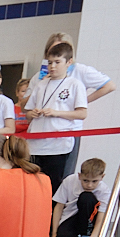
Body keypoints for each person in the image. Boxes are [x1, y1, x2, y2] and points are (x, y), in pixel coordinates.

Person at [28, 33, 116, 177]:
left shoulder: (79, 71)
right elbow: (26, 104)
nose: (53, 64)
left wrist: (80, 102)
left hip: (66, 132)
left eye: (60, 54)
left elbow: (109, 86)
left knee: (60, 176)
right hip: (40, 136)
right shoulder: (41, 78)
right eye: (51, 58)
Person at [25, 41, 88, 194]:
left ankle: (51, 217)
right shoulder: (41, 84)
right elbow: (27, 114)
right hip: (35, 145)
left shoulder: (74, 84)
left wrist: (56, 112)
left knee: (53, 188)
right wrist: (32, 114)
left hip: (57, 145)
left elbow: (82, 114)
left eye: (57, 62)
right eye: (50, 62)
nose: (52, 66)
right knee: (32, 187)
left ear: (69, 62)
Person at [52, 157, 110, 237]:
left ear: (102, 177)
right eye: (85, 180)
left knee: (86, 197)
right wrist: (54, 233)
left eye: (94, 181)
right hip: (72, 217)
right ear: (79, 176)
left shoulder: (104, 190)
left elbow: (101, 218)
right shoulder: (69, 180)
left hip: (89, 221)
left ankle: (86, 235)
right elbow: (59, 206)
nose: (89, 185)